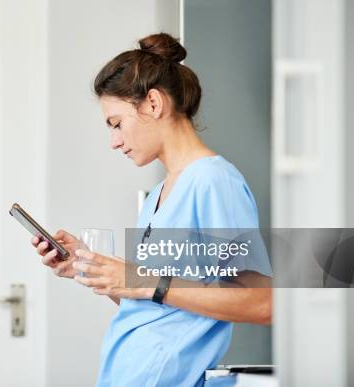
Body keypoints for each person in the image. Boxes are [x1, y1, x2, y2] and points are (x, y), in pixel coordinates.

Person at [30, 33, 272, 387]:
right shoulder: (161, 192)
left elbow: (262, 302)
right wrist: (91, 267)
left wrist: (144, 281)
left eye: (116, 123)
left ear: (154, 104)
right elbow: (156, 307)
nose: (114, 141)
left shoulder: (213, 182)